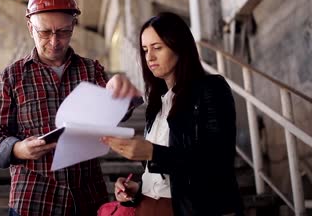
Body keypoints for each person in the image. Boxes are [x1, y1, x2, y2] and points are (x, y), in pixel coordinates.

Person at [0, 0, 141, 216]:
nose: (55, 41)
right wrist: (17, 149)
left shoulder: (91, 70)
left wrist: (121, 93)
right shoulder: (12, 76)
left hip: (88, 197)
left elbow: (112, 115)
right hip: (34, 199)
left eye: (64, 32)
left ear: (74, 25)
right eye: (45, 32)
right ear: (30, 26)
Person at [102, 12, 244, 216]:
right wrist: (139, 188)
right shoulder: (156, 104)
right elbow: (166, 176)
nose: (149, 57)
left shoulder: (211, 89)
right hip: (148, 207)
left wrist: (153, 152)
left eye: (157, 48)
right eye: (145, 49)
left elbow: (216, 162)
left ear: (179, 47)